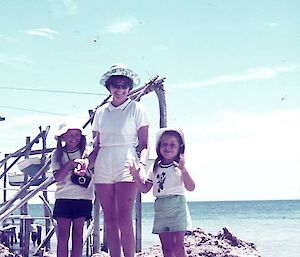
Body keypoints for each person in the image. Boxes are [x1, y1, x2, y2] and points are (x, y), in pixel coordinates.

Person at [88, 64, 149, 257]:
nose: (120, 89)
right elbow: (96, 145)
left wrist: (142, 166)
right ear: (109, 87)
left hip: (127, 163)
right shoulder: (100, 112)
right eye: (116, 84)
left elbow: (145, 145)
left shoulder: (137, 108)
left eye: (124, 85)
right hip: (103, 164)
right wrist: (85, 162)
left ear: (129, 87)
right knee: (110, 220)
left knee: (124, 218)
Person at [128, 128, 195, 257]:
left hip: (177, 206)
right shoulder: (155, 167)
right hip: (160, 207)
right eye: (164, 144)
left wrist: (184, 170)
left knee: (178, 245)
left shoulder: (179, 167)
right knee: (166, 248)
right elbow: (144, 189)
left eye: (172, 144)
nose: (167, 148)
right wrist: (135, 176)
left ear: (179, 148)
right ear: (159, 147)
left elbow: (191, 187)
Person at [51, 120, 94, 257]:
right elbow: (57, 177)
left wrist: (83, 168)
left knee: (78, 236)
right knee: (62, 238)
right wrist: (70, 164)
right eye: (69, 135)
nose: (73, 138)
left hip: (83, 198)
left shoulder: (87, 153)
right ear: (62, 137)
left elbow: (93, 171)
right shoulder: (57, 154)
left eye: (77, 134)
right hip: (63, 197)